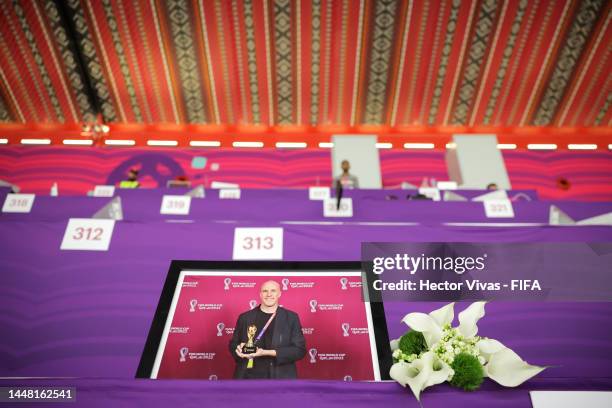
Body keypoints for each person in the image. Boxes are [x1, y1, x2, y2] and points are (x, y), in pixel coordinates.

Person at [229, 280, 306, 379]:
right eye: (265, 291)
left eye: (273, 291)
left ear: (279, 294)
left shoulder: (291, 318)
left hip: (280, 377)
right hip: (248, 376)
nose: (269, 294)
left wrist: (266, 352)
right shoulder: (245, 317)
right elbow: (233, 344)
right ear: (260, 294)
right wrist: (238, 348)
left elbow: (299, 350)